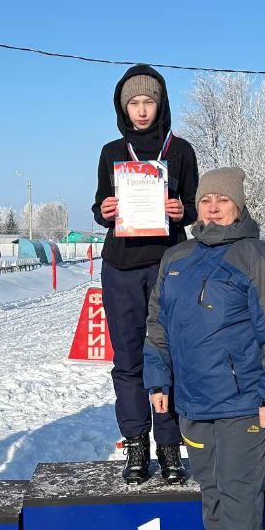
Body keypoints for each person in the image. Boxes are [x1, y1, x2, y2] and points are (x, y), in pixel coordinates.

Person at [144, 167, 265, 530]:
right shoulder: (176, 258)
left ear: (238, 205)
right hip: (193, 400)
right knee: (211, 488)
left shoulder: (257, 256)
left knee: (239, 490)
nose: (212, 207)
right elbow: (157, 326)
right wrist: (159, 380)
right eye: (206, 199)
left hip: (242, 400)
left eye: (222, 200)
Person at [91, 64, 199, 484]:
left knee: (169, 354)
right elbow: (101, 205)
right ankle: (135, 444)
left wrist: (182, 211)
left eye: (148, 101)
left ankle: (170, 448)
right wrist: (105, 210)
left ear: (161, 104)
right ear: (123, 108)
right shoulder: (110, 151)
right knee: (129, 358)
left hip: (170, 263)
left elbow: (194, 206)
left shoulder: (181, 150)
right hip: (120, 266)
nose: (141, 110)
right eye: (133, 102)